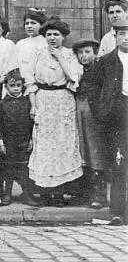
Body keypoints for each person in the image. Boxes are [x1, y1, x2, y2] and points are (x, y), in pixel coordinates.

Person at [24, 17, 83, 205]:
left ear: (63, 37)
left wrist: (59, 57)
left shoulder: (70, 54)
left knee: (62, 144)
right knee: (44, 144)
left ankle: (60, 192)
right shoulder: (38, 54)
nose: (52, 38)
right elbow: (30, 82)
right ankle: (44, 191)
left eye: (56, 34)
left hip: (63, 101)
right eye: (48, 34)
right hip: (43, 100)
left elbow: (74, 76)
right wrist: (33, 105)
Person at [87, 16, 128, 220]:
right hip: (117, 115)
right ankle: (118, 212)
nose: (127, 38)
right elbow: (92, 88)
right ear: (116, 36)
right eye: (122, 34)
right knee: (119, 162)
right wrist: (100, 111)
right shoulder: (106, 61)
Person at [73, 38, 108, 209]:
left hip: (94, 114)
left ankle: (100, 195)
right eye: (80, 53)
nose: (83, 56)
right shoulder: (79, 71)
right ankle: (85, 193)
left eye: (87, 52)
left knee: (96, 152)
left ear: (95, 53)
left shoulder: (101, 70)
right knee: (83, 150)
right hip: (80, 112)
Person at [0, 70, 36, 207]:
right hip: (8, 141)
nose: (16, 88)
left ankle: (27, 194)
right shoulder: (2, 104)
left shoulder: (26, 103)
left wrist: (31, 139)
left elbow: (31, 123)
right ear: (6, 87)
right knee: (8, 168)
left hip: (23, 140)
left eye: (19, 85)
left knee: (24, 168)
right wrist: (0, 141)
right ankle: (7, 194)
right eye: (12, 86)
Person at [14, 8, 47, 78]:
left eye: (33, 23)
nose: (29, 26)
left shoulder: (45, 43)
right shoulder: (20, 44)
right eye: (27, 23)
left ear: (42, 25)